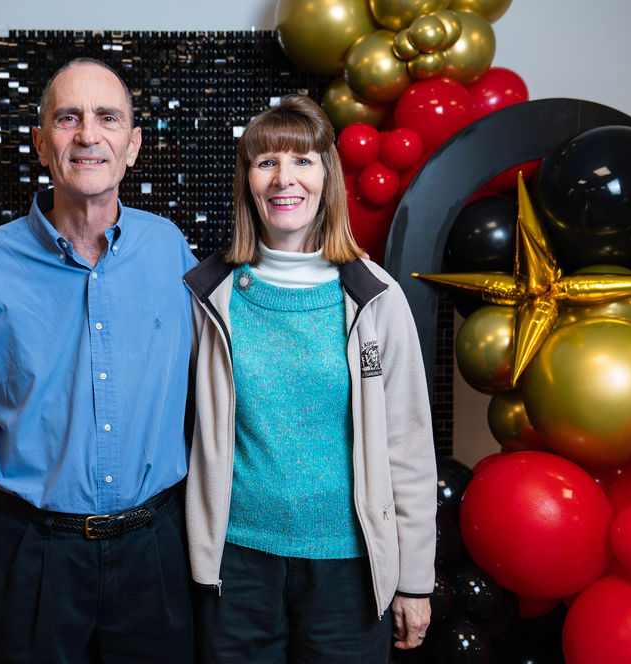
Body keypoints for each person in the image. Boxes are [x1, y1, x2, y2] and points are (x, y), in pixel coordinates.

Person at [0, 57, 196, 663]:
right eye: (68, 118)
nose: (88, 135)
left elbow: (214, 382)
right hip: (31, 554)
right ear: (41, 142)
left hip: (156, 550)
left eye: (108, 118)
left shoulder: (170, 249)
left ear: (133, 145)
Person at [183, 94, 437, 663]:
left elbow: (409, 447)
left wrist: (415, 580)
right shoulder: (206, 296)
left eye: (302, 160)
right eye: (266, 162)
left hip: (350, 567)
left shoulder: (376, 298)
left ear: (328, 177)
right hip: (235, 564)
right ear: (247, 180)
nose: (284, 178)